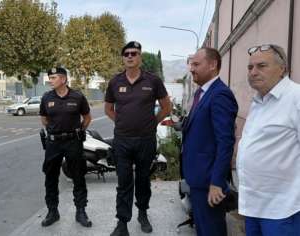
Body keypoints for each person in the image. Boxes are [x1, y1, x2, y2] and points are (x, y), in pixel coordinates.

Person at [105, 41, 171, 236]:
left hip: (145, 140)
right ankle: (122, 223)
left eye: (134, 53)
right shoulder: (115, 82)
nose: (130, 56)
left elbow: (166, 106)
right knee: (124, 182)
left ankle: (142, 213)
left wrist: (153, 123)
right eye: (127, 54)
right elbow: (108, 108)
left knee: (143, 180)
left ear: (140, 57)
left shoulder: (153, 81)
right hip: (122, 141)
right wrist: (122, 121)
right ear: (123, 58)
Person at [236, 44, 300, 236]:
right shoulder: (259, 100)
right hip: (253, 205)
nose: (253, 72)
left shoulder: (296, 98)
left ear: (282, 69)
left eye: (261, 66)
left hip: (283, 210)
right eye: (250, 67)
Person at [182, 47, 238, 236]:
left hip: (209, 181)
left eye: (196, 64)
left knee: (211, 230)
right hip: (198, 177)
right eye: (191, 64)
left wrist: (216, 182)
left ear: (213, 65)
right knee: (203, 228)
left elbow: (225, 142)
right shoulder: (202, 93)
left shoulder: (220, 95)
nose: (192, 69)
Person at [39, 67, 92, 227]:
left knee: (78, 176)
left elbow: (87, 118)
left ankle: (81, 212)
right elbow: (44, 118)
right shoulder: (47, 97)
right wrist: (55, 132)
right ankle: (52, 212)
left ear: (63, 79)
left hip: (73, 142)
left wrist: (78, 132)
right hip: (53, 143)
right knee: (50, 177)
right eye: (50, 77)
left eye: (53, 77)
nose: (50, 80)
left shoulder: (77, 96)